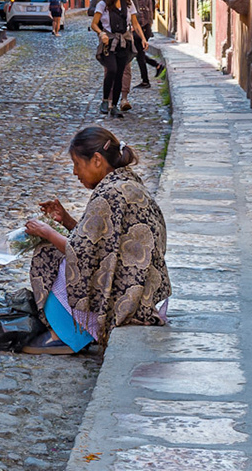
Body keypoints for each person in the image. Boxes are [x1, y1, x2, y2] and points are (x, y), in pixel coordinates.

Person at [19, 126, 170, 354]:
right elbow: (103, 243)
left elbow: (81, 253)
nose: (75, 172)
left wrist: (46, 232)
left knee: (46, 252)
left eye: (77, 164)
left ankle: (66, 332)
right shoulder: (126, 181)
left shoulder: (109, 194)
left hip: (125, 295)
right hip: (139, 287)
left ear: (97, 160)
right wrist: (66, 220)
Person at [92, 0, 148, 114]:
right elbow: (94, 24)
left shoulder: (128, 3)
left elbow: (135, 23)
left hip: (124, 42)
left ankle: (114, 106)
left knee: (119, 74)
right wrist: (101, 33)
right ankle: (105, 100)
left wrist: (143, 38)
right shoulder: (103, 4)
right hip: (109, 43)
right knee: (112, 69)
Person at [129, 0, 164, 87]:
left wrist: (138, 29)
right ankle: (156, 66)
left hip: (142, 30)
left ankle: (146, 81)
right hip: (145, 29)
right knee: (139, 54)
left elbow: (142, 16)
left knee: (139, 55)